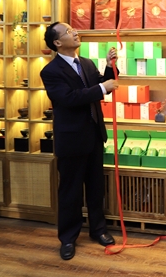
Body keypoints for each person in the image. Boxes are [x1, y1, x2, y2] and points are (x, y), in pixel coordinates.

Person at [40, 22, 119, 260]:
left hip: (94, 135)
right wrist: (102, 88)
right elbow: (69, 98)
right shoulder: (50, 71)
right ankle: (67, 238)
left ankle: (98, 230)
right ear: (57, 42)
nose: (75, 32)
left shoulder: (86, 63)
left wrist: (110, 67)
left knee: (96, 188)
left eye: (74, 29)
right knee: (70, 191)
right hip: (71, 139)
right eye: (68, 31)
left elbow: (102, 85)